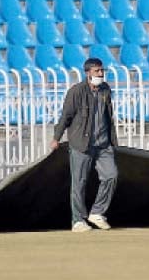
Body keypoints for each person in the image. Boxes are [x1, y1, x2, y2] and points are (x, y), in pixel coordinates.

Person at [51, 58, 118, 232]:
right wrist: (56, 137)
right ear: (88, 73)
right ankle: (78, 220)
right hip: (81, 143)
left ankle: (97, 212)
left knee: (111, 175)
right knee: (79, 182)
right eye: (97, 71)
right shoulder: (76, 91)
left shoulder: (105, 90)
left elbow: (107, 116)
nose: (101, 74)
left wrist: (112, 140)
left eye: (102, 70)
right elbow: (66, 116)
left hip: (103, 144)